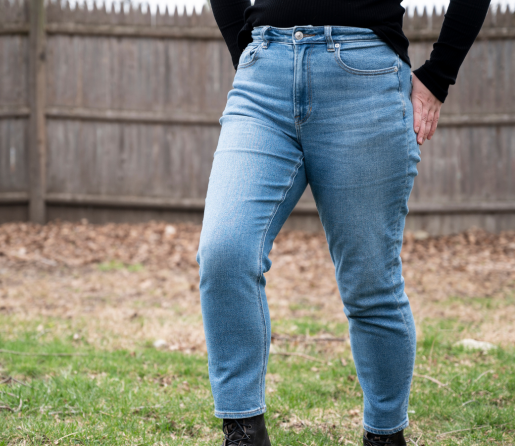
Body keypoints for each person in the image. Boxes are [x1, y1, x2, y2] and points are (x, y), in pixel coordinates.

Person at [197, 0, 491, 445]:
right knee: (224, 251)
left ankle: (385, 435)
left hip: (365, 76)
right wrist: (248, 51)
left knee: (370, 281)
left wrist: (438, 76)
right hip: (264, 74)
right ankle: (243, 431)